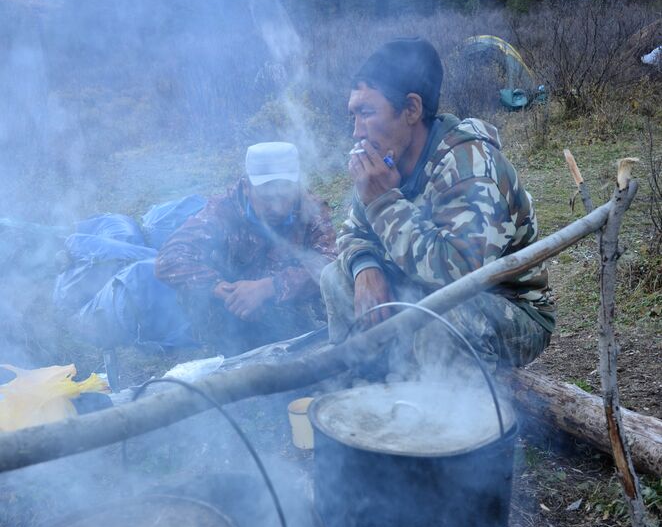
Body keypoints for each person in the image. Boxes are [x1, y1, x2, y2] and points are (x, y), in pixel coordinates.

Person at [320, 37, 555, 372]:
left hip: (507, 309)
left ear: (412, 109)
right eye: (353, 115)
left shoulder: (471, 166)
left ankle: (449, 417)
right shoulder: (389, 156)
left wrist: (384, 202)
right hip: (424, 292)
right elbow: (352, 232)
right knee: (336, 279)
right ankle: (365, 386)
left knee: (443, 320)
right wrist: (364, 266)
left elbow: (457, 278)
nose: (357, 131)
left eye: (367, 113)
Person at [156, 142, 336, 354]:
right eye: (266, 197)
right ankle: (217, 349)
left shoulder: (311, 210)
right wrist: (224, 290)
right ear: (247, 187)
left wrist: (270, 287)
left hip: (289, 308)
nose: (275, 207)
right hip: (230, 312)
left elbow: (333, 265)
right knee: (196, 292)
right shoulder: (223, 210)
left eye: (283, 196)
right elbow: (169, 258)